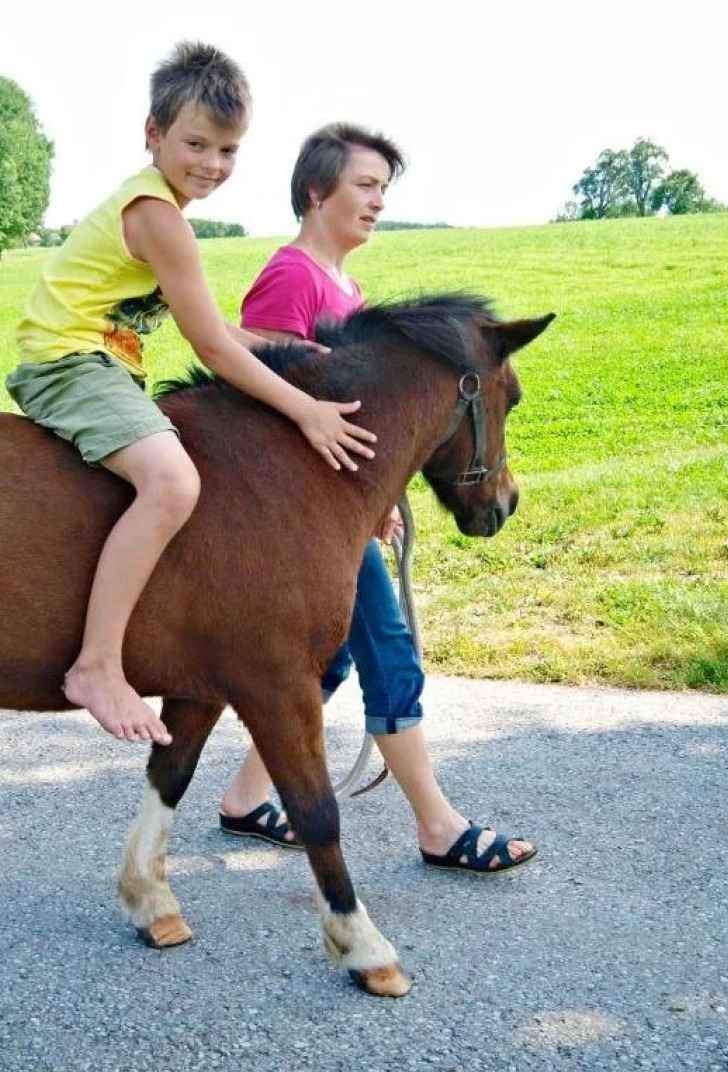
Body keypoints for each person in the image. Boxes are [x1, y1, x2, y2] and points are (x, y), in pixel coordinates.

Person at [8, 45, 377, 747]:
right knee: (173, 482)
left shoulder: (161, 209)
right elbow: (210, 349)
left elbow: (220, 329)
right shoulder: (158, 216)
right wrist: (305, 408)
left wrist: (298, 353)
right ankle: (95, 664)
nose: (211, 163)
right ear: (154, 133)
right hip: (67, 363)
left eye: (229, 150)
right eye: (196, 143)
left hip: (98, 363)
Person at [214, 123, 536, 873]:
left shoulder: (342, 285)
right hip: (305, 512)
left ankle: (242, 799)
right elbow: (251, 398)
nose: (378, 202)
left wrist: (374, 492)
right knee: (387, 648)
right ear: (315, 191)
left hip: (338, 504)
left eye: (385, 190)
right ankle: (438, 825)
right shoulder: (294, 275)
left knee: (327, 662)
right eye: (365, 186)